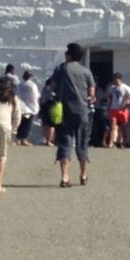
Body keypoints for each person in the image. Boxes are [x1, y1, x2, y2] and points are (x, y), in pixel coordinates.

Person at [46, 42, 96, 189]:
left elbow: (52, 86)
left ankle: (65, 176)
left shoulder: (61, 69)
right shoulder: (86, 72)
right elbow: (91, 93)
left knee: (65, 143)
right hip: (82, 111)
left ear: (69, 55)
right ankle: (83, 175)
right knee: (82, 143)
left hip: (64, 111)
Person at [14, 68, 40, 143]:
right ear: (30, 77)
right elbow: (35, 95)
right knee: (27, 124)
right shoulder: (32, 85)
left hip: (21, 106)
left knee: (20, 123)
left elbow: (17, 94)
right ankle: (24, 139)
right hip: (30, 107)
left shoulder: (19, 85)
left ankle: (18, 138)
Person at [106, 75, 130, 148]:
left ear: (119, 79)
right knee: (113, 126)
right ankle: (111, 142)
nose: (114, 81)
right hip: (113, 109)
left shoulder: (125, 87)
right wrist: (109, 105)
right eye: (113, 80)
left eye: (116, 80)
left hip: (122, 109)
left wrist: (126, 105)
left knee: (123, 127)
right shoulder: (112, 88)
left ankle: (124, 142)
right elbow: (108, 96)